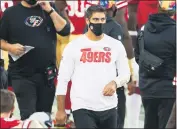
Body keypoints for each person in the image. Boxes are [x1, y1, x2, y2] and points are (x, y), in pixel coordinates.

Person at [55, 5, 130, 128]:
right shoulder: (74, 46)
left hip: (109, 106)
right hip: (82, 106)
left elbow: (125, 74)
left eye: (102, 19)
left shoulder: (115, 45)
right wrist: (61, 109)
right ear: (87, 20)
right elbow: (63, 79)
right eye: (95, 20)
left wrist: (115, 83)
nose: (99, 23)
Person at [0, 0, 70, 120]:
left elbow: (64, 30)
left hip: (47, 74)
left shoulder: (49, 8)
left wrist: (50, 10)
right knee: (29, 116)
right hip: (22, 74)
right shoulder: (10, 13)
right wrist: (10, 47)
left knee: (45, 116)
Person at [134, 0, 176, 128]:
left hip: (147, 88)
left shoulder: (143, 28)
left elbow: (138, 57)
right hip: (168, 90)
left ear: (158, 7)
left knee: (149, 124)